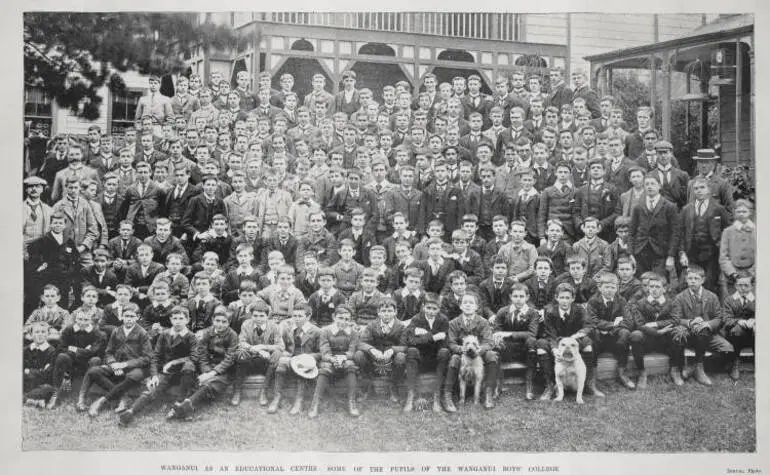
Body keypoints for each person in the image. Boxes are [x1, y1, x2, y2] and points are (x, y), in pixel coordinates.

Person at [119, 306, 198, 426]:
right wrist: (154, 375)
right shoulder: (165, 334)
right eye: (175, 318)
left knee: (189, 365)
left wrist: (173, 362)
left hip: (183, 373)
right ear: (170, 319)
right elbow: (155, 356)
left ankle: (178, 404)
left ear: (187, 320)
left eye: (181, 318)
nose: (177, 321)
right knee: (152, 388)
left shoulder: (191, 336)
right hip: (165, 372)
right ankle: (131, 412)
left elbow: (194, 356)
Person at [80, 303, 153, 416]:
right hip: (117, 365)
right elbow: (108, 352)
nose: (129, 319)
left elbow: (147, 357)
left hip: (134, 367)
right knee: (93, 371)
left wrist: (124, 365)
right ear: (122, 317)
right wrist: (113, 363)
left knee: (133, 376)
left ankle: (100, 401)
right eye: (126, 316)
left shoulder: (142, 333)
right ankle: (123, 398)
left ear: (137, 317)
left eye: (132, 316)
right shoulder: (116, 331)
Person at [169, 306, 238, 421]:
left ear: (229, 322)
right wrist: (206, 371)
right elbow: (202, 354)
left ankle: (186, 405)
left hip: (222, 369)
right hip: (206, 366)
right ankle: (181, 401)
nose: (220, 324)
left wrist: (211, 374)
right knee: (189, 367)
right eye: (217, 321)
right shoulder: (207, 332)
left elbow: (229, 358)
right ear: (212, 320)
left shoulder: (232, 335)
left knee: (210, 383)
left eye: (224, 322)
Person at [669, 265, 735, 386]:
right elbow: (675, 318)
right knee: (678, 334)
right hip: (688, 334)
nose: (693, 281)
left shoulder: (712, 296)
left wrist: (707, 324)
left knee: (727, 349)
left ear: (703, 280)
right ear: (686, 279)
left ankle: (695, 366)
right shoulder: (680, 297)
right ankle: (693, 369)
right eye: (690, 278)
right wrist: (689, 322)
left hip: (706, 334)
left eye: (696, 278)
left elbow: (719, 318)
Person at [623, 272, 683, 387]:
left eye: (657, 287)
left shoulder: (672, 302)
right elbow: (640, 324)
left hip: (665, 341)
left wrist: (655, 323)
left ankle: (675, 370)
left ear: (664, 289)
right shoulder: (640, 303)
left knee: (678, 332)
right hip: (648, 340)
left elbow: (675, 320)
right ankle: (642, 371)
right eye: (651, 287)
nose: (654, 290)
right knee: (635, 335)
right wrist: (656, 331)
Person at [543, 282, 599, 400]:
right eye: (561, 297)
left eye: (567, 298)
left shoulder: (579, 309)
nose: (564, 301)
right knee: (540, 346)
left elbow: (588, 325)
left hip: (575, 339)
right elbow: (550, 334)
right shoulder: (550, 311)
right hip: (558, 341)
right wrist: (555, 350)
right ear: (556, 298)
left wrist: (577, 335)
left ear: (573, 298)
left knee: (588, 343)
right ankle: (549, 385)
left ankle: (588, 383)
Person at [445, 292, 499, 410]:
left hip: (479, 354)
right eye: (465, 302)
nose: (468, 305)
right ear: (460, 306)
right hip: (462, 355)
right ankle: (448, 395)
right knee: (454, 358)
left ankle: (488, 394)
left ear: (476, 307)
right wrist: (460, 349)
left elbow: (489, 342)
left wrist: (480, 350)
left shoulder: (483, 322)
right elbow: (451, 343)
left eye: (471, 303)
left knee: (492, 355)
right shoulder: (453, 323)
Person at [678, 177, 730, 293]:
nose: (699, 191)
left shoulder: (719, 209)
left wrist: (723, 251)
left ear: (709, 190)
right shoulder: (687, 210)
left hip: (712, 254)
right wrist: (682, 253)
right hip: (692, 253)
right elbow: (680, 233)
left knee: (709, 285)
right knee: (686, 285)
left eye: (702, 187)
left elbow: (727, 231)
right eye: (696, 188)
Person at [401, 293, 450, 413]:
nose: (431, 311)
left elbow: (444, 342)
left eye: (435, 309)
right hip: (420, 359)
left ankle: (437, 397)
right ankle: (410, 396)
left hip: (435, 359)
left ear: (439, 309)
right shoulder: (417, 319)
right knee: (412, 351)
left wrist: (422, 338)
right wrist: (432, 338)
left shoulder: (443, 320)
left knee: (444, 352)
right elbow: (411, 341)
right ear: (423, 306)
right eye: (428, 308)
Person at [230, 301, 284, 407]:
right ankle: (237, 391)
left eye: (261, 316)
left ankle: (264, 391)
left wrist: (263, 347)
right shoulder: (246, 324)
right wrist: (256, 349)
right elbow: (241, 342)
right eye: (255, 315)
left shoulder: (274, 327)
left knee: (277, 353)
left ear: (267, 316)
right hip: (249, 361)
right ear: (251, 315)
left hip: (266, 363)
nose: (258, 319)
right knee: (241, 353)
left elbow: (281, 346)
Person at [310, 306, 361, 418]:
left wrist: (344, 357)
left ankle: (351, 402)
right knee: (325, 368)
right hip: (330, 359)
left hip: (345, 360)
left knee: (350, 365)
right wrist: (333, 359)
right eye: (341, 318)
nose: (344, 321)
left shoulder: (353, 333)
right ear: (334, 317)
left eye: (347, 319)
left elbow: (352, 351)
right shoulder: (325, 331)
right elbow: (324, 352)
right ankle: (315, 403)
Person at [493, 283, 541, 400]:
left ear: (527, 297)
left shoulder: (533, 313)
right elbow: (497, 331)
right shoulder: (503, 311)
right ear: (510, 296)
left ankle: (529, 387)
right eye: (515, 296)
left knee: (532, 341)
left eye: (521, 296)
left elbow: (532, 333)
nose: (518, 299)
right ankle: (497, 386)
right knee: (496, 343)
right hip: (507, 349)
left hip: (525, 349)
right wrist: (498, 337)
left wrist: (509, 334)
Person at [354, 298, 407, 405]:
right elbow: (361, 343)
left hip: (392, 360)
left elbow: (406, 345)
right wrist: (372, 350)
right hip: (375, 359)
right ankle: (368, 385)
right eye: (383, 311)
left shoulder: (401, 326)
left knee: (401, 356)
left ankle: (394, 385)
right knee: (359, 355)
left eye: (389, 311)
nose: (386, 314)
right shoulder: (372, 325)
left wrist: (393, 350)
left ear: (395, 312)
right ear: (378, 312)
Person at [586, 273, 631, 392]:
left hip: (613, 338)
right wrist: (613, 324)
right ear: (600, 288)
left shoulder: (621, 300)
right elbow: (593, 321)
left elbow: (628, 321)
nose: (610, 290)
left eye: (613, 287)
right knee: (592, 333)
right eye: (606, 287)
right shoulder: (593, 301)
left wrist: (610, 329)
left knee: (625, 333)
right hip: (599, 338)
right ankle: (592, 378)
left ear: (617, 288)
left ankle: (622, 373)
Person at [628, 174, 680, 276]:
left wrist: (671, 256)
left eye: (653, 184)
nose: (649, 186)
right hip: (640, 252)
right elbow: (631, 232)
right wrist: (630, 253)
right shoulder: (638, 207)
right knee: (642, 283)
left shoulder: (669, 206)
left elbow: (675, 233)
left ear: (659, 186)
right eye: (646, 184)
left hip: (661, 253)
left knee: (657, 282)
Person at [721, 272, 755, 381]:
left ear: (752, 286)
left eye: (746, 285)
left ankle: (758, 362)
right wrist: (739, 321)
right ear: (735, 286)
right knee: (737, 331)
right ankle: (735, 362)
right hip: (735, 335)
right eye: (740, 285)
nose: (743, 288)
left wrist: (754, 320)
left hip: (752, 334)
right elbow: (726, 319)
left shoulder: (756, 299)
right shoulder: (729, 300)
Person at [719, 199, 755, 299]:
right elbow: (723, 256)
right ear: (734, 213)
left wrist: (752, 275)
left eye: (744, 211)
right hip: (733, 275)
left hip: (752, 274)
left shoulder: (757, 231)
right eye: (738, 212)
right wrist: (733, 274)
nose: (741, 214)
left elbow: (762, 255)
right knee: (734, 301)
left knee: (752, 302)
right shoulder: (728, 232)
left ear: (750, 213)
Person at [23, 322, 58, 408]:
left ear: (47, 334)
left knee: (48, 389)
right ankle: (33, 400)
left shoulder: (52, 351)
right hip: (26, 382)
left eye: (43, 332)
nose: (40, 335)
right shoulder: (25, 350)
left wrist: (28, 371)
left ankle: (27, 399)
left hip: (42, 384)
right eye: (37, 332)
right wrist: (38, 371)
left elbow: (47, 374)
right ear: (31, 334)